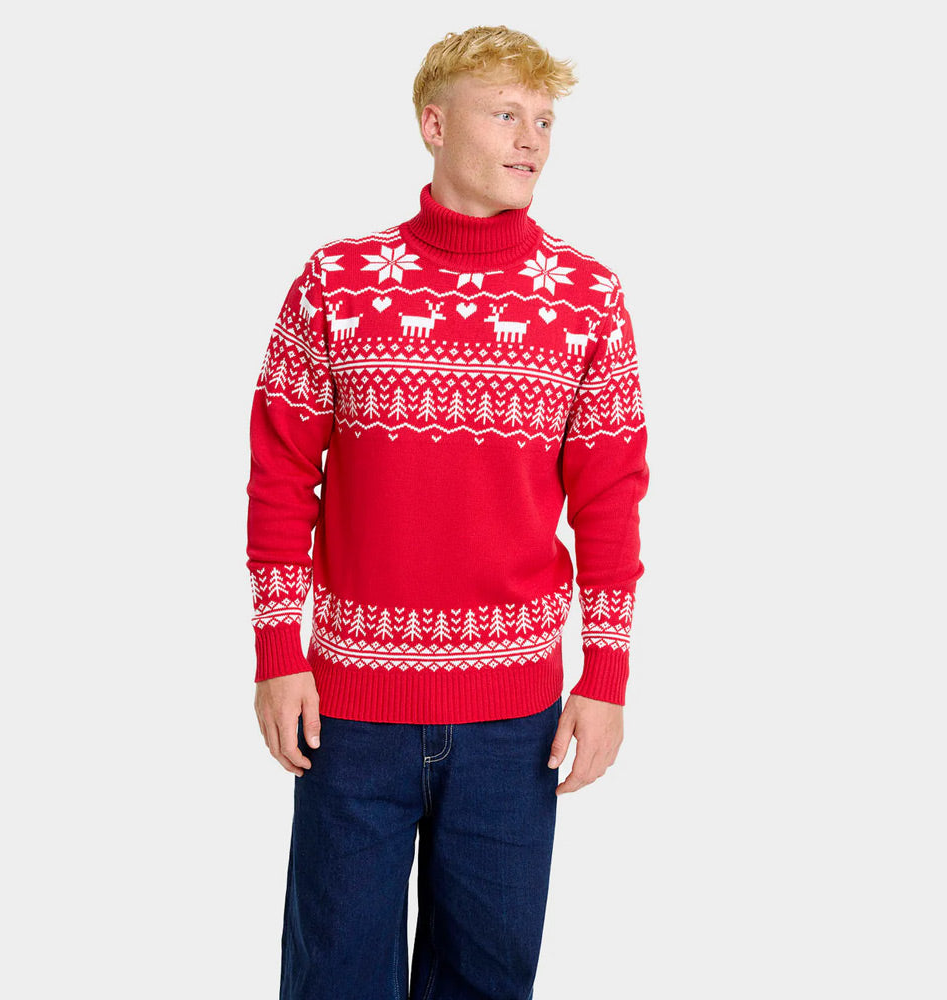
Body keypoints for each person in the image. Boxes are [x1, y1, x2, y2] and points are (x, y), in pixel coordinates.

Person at [246, 23, 650, 999]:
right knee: (334, 980)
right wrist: (277, 654)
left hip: (516, 721)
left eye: (544, 120)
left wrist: (606, 675)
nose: (531, 140)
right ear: (434, 125)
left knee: (488, 983)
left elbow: (609, 499)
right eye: (506, 114)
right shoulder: (336, 282)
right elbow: (279, 475)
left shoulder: (587, 298)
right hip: (349, 712)